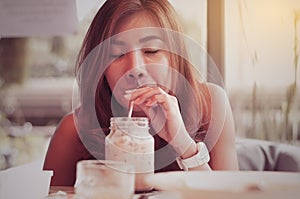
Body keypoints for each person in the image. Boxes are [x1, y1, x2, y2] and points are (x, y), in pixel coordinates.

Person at [43, 0, 239, 186]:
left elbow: (233, 196)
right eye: (117, 54)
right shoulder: (76, 129)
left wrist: (185, 146)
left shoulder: (211, 103)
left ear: (175, 58)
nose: (135, 69)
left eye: (151, 51)